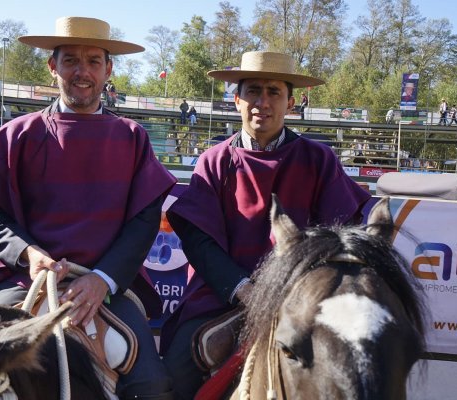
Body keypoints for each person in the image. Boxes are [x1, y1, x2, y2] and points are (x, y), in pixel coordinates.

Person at [0, 16, 176, 400]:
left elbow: (143, 224)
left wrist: (101, 280)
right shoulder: (17, 135)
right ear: (52, 67)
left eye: (93, 61)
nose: (82, 72)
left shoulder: (132, 137)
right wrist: (29, 254)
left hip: (105, 287)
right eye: (70, 60)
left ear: (109, 69)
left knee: (152, 386)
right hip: (22, 282)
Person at [159, 51, 371, 400]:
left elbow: (339, 236)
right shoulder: (213, 161)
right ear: (237, 99)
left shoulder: (319, 159)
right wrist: (243, 289)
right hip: (220, 297)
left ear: (290, 103)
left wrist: (297, 295)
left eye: (274, 92)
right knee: (172, 380)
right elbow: (198, 240)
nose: (263, 102)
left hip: (301, 301)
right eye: (253, 91)